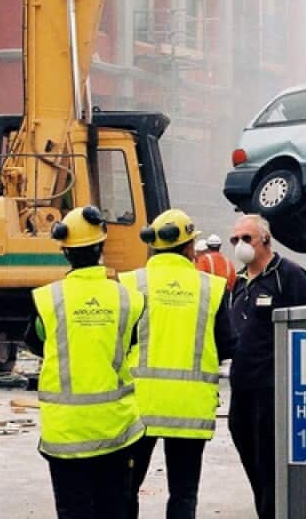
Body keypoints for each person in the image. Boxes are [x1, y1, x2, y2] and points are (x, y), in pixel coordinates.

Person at [23, 206, 144, 519]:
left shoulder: (48, 300)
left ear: (65, 252)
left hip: (66, 434)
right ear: (101, 247)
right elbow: (128, 341)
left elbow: (35, 343)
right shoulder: (127, 298)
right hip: (115, 430)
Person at [121, 210, 234, 519]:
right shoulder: (212, 288)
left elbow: (119, 342)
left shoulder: (130, 282)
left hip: (138, 406)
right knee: (183, 494)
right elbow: (228, 344)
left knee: (126, 490)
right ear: (188, 248)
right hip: (189, 409)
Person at [227, 214, 306, 519]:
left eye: (246, 238)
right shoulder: (239, 282)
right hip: (242, 389)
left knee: (271, 468)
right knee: (252, 462)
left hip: (274, 390)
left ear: (265, 239)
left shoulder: (288, 275)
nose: (240, 245)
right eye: (235, 240)